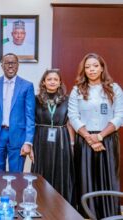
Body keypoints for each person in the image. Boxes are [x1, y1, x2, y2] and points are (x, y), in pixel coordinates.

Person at [68, 53, 123, 219]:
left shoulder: (114, 88)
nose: (91, 69)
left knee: (109, 178)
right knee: (86, 179)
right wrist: (89, 138)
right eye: (87, 67)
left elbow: (119, 116)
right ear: (83, 70)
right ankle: (87, 215)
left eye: (95, 66)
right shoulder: (77, 90)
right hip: (84, 141)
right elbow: (73, 117)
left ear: (102, 68)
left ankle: (110, 216)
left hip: (107, 139)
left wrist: (99, 137)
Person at [31, 69, 75, 204]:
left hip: (61, 139)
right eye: (49, 79)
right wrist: (30, 145)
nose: (52, 82)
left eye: (55, 79)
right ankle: (41, 204)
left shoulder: (67, 99)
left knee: (61, 172)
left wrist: (72, 143)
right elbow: (30, 122)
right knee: (41, 171)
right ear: (44, 82)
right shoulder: (35, 99)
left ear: (60, 82)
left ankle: (60, 206)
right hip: (40, 138)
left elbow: (70, 123)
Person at [0, 53, 35, 172]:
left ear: (18, 65)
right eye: (7, 63)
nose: (10, 66)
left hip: (18, 136)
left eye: (13, 63)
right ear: (2, 65)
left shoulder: (27, 86)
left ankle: (16, 191)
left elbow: (30, 116)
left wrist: (28, 141)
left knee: (17, 175)